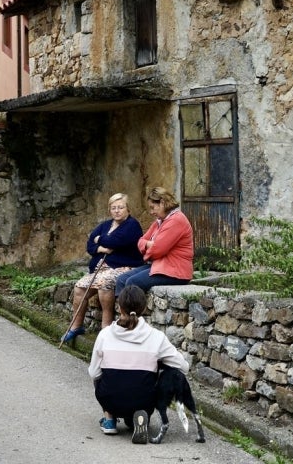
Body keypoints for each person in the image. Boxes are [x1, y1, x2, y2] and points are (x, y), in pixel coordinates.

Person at [88, 285, 189, 443]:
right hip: (144, 400)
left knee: (99, 373)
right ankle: (141, 416)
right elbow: (183, 367)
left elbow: (94, 373)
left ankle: (109, 418)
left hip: (110, 399)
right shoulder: (156, 337)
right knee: (164, 371)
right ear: (144, 307)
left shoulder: (104, 335)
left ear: (119, 307)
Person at [61, 193, 144, 343]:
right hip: (100, 269)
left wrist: (100, 240)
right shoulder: (105, 225)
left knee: (104, 284)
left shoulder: (132, 225)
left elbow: (117, 241)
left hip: (124, 267)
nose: (117, 211)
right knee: (79, 287)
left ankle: (105, 329)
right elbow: (90, 244)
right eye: (113, 208)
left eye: (120, 207)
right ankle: (76, 326)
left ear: (128, 209)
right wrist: (102, 249)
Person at [114, 186, 194, 298]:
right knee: (121, 280)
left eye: (152, 207)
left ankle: (131, 314)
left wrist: (149, 251)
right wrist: (147, 244)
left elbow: (157, 251)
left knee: (132, 283)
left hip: (175, 271)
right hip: (161, 266)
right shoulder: (160, 221)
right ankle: (124, 313)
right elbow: (140, 241)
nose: (151, 212)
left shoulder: (176, 220)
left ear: (162, 203)